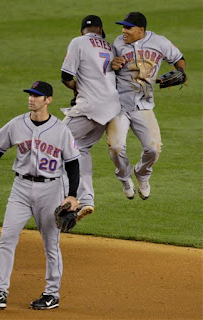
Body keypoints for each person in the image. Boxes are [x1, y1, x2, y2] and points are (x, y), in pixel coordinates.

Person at [0, 81, 80, 310]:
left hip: (51, 190)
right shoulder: (16, 124)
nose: (31, 99)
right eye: (30, 95)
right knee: (7, 238)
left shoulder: (61, 130)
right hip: (20, 189)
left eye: (37, 96)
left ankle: (52, 295)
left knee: (51, 244)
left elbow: (72, 164)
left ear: (48, 100)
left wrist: (71, 195)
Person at [107, 12, 186, 200]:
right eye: (123, 27)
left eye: (128, 27)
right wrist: (113, 64)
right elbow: (106, 69)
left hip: (144, 105)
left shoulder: (160, 42)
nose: (123, 31)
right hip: (118, 106)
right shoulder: (118, 43)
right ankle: (125, 177)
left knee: (154, 149)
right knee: (116, 147)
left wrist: (181, 72)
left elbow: (178, 58)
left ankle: (142, 174)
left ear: (140, 30)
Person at [61, 15, 121, 217]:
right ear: (100, 29)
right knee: (81, 148)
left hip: (89, 107)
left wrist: (78, 89)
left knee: (55, 142)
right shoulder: (110, 47)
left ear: (82, 31)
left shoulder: (78, 42)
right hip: (111, 109)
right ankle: (85, 199)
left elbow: (66, 77)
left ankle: (65, 202)